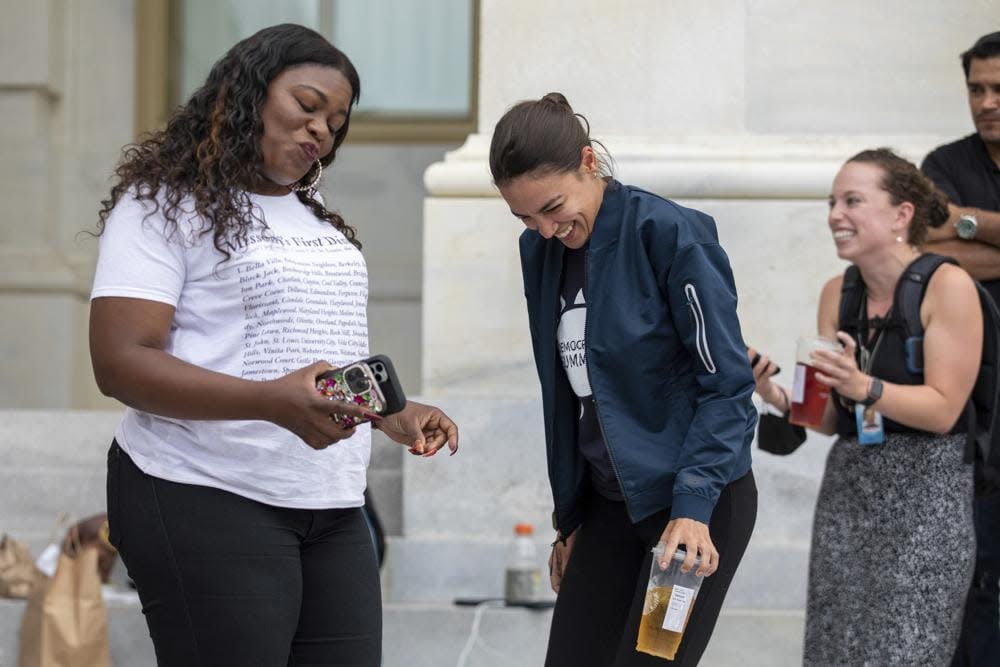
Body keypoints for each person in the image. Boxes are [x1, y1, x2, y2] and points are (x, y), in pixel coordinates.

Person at [88, 24, 458, 666]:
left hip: (332, 501)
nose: (321, 130)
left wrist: (390, 413)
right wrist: (269, 402)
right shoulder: (162, 206)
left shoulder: (313, 214)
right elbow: (120, 363)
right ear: (248, 94)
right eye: (306, 105)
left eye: (336, 122)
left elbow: (313, 357)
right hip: (202, 489)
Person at [489, 92, 758, 666]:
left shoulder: (670, 234)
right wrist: (571, 518)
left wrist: (693, 506)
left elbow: (728, 385)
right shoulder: (540, 252)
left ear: (589, 162)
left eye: (552, 206)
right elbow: (567, 395)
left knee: (649, 661)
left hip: (692, 511)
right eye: (525, 217)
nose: (544, 229)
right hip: (610, 508)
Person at [752, 148, 982, 664]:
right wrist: (777, 396)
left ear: (901, 214)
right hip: (850, 493)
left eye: (853, 200)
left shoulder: (948, 285)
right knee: (836, 652)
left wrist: (866, 388)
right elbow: (828, 417)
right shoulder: (838, 293)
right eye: (832, 202)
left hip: (929, 498)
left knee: (906, 653)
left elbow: (945, 409)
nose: (835, 214)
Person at [920, 31, 1000, 664]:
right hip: (978, 403)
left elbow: (953, 235)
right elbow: (926, 251)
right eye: (976, 89)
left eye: (999, 89)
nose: (987, 101)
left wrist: (968, 221)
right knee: (978, 576)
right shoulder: (944, 162)